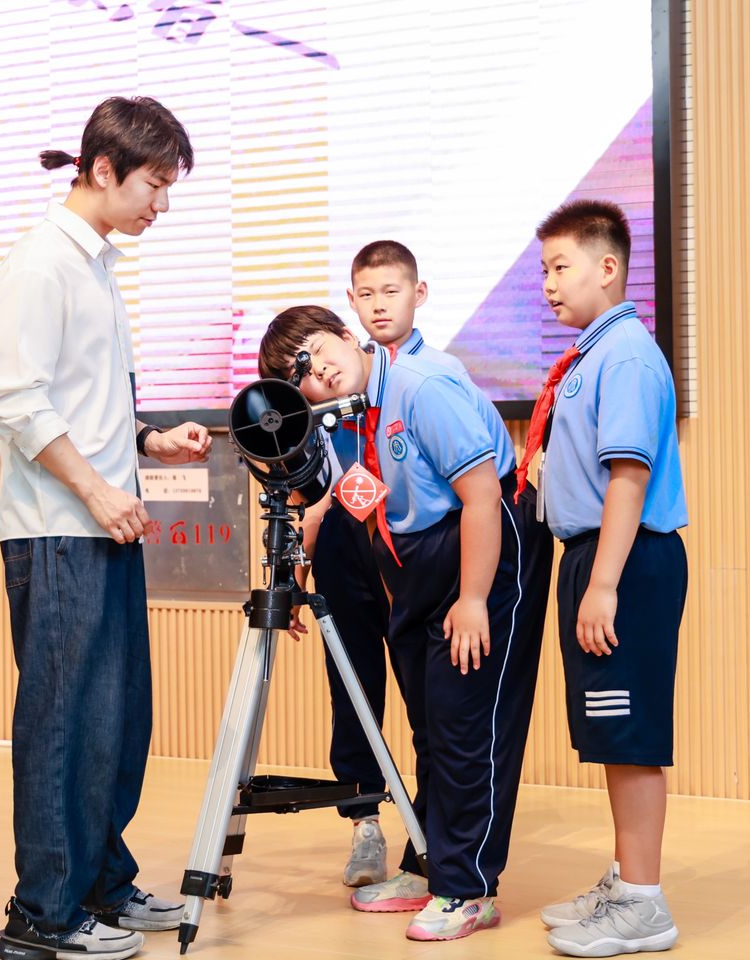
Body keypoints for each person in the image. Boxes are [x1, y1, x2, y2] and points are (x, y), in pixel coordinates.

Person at [0, 95, 213, 960]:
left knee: (117, 719)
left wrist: (149, 441)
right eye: (155, 185)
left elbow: (83, 401)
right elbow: (12, 400)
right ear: (104, 170)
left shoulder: (97, 266)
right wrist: (97, 490)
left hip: (103, 525)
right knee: (62, 723)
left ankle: (102, 885)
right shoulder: (42, 264)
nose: (163, 204)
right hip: (58, 529)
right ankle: (40, 914)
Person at [259, 304, 552, 942]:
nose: (316, 373)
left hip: (484, 547)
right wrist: (314, 527)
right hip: (426, 560)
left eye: (317, 352)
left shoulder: (421, 386)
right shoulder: (356, 411)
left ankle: (469, 888)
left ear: (346, 335)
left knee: (468, 722)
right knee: (433, 723)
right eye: (298, 375)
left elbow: (482, 495)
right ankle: (431, 867)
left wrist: (472, 599)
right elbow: (370, 498)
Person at [518, 199, 688, 957]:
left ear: (609, 267)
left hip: (626, 560)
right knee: (611, 730)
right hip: (596, 556)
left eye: (561, 267)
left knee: (631, 732)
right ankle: (625, 881)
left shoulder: (625, 357)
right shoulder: (593, 355)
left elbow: (629, 477)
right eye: (544, 270)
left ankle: (645, 904)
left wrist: (605, 585)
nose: (549, 284)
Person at [294, 240, 468, 887]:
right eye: (366, 294)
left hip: (408, 552)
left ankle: (430, 831)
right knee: (353, 692)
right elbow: (316, 494)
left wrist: (339, 506)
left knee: (426, 697)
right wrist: (307, 542)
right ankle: (364, 822)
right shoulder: (325, 395)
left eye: (389, 291)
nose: (379, 305)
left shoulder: (412, 377)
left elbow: (411, 485)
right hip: (349, 553)